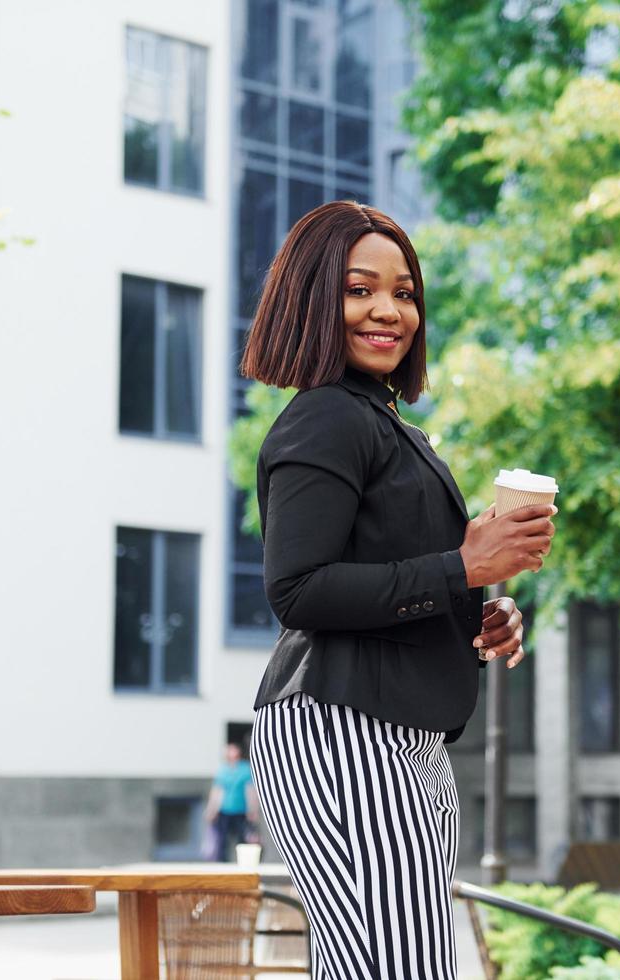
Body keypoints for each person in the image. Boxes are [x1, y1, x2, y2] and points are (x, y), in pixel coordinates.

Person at [239, 200, 556, 978]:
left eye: (405, 293)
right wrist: (460, 568)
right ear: (313, 298)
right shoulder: (323, 420)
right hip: (345, 732)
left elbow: (386, 576)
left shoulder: (384, 426)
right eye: (358, 289)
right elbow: (299, 591)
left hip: (396, 734)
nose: (388, 310)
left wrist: (479, 609)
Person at [204, 742, 258, 862]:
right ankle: (222, 863)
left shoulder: (245, 769)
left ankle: (243, 862)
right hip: (224, 809)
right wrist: (212, 810)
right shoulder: (222, 770)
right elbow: (216, 791)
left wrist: (253, 810)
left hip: (241, 810)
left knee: (243, 839)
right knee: (222, 839)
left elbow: (251, 791)